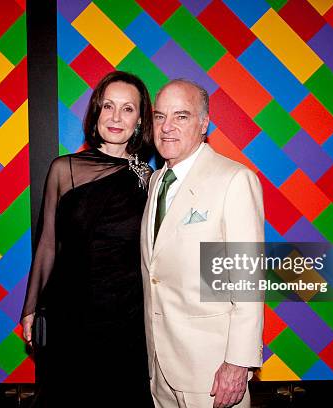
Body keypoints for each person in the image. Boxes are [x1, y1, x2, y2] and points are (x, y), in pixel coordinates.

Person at [21, 71, 154, 407]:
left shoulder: (149, 178)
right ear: (96, 112)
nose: (115, 117)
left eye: (128, 109)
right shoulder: (64, 169)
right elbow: (48, 241)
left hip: (128, 315)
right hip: (71, 311)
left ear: (140, 120)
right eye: (108, 106)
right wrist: (32, 306)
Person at [140, 79, 265, 408]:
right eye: (159, 116)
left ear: (203, 123)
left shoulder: (234, 180)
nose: (167, 127)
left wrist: (238, 364)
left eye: (181, 116)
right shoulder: (155, 181)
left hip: (210, 372)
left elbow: (247, 281)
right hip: (159, 367)